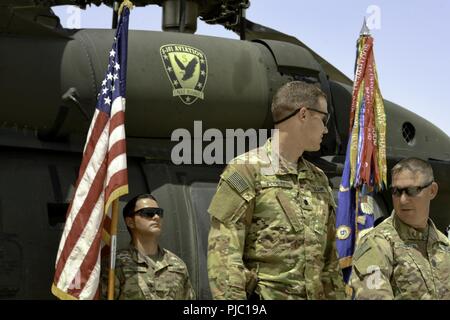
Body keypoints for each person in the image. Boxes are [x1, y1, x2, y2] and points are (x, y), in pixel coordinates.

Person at [207, 81, 346, 300]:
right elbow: (224, 254)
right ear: (303, 114)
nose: (326, 129)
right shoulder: (246, 169)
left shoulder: (318, 179)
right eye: (323, 119)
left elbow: (329, 263)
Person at [350, 157, 450, 299]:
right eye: (396, 191)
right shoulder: (377, 244)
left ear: (432, 191)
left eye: (412, 190)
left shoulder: (443, 244)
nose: (402, 200)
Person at [102, 193, 195, 299]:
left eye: (159, 213)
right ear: (130, 222)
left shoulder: (177, 265)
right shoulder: (116, 265)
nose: (156, 217)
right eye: (148, 213)